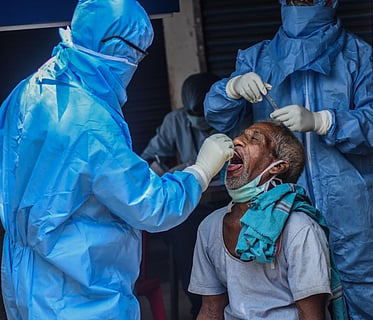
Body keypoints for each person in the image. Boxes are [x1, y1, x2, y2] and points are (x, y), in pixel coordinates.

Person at [0, 0, 234, 319]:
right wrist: (201, 170)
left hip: (25, 280)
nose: (135, 64)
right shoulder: (90, 122)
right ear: (116, 47)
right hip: (81, 294)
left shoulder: (28, 90)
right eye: (137, 54)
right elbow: (152, 206)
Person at [203, 0, 373, 318]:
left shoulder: (358, 56)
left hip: (350, 213)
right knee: (287, 297)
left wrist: (325, 121)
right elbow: (219, 116)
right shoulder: (257, 59)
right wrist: (231, 88)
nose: (301, 3)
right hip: (276, 213)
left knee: (363, 293)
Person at [188, 120, 347, 320]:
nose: (236, 140)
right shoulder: (209, 227)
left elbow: (312, 316)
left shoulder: (300, 229)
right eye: (241, 135)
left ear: (277, 167)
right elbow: (211, 310)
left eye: (253, 139)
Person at [141, 72, 231, 318]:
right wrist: (172, 171)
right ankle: (199, 305)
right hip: (193, 207)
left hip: (229, 202)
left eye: (203, 117)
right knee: (184, 239)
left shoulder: (232, 118)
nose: (198, 123)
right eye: (193, 117)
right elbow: (149, 161)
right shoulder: (175, 121)